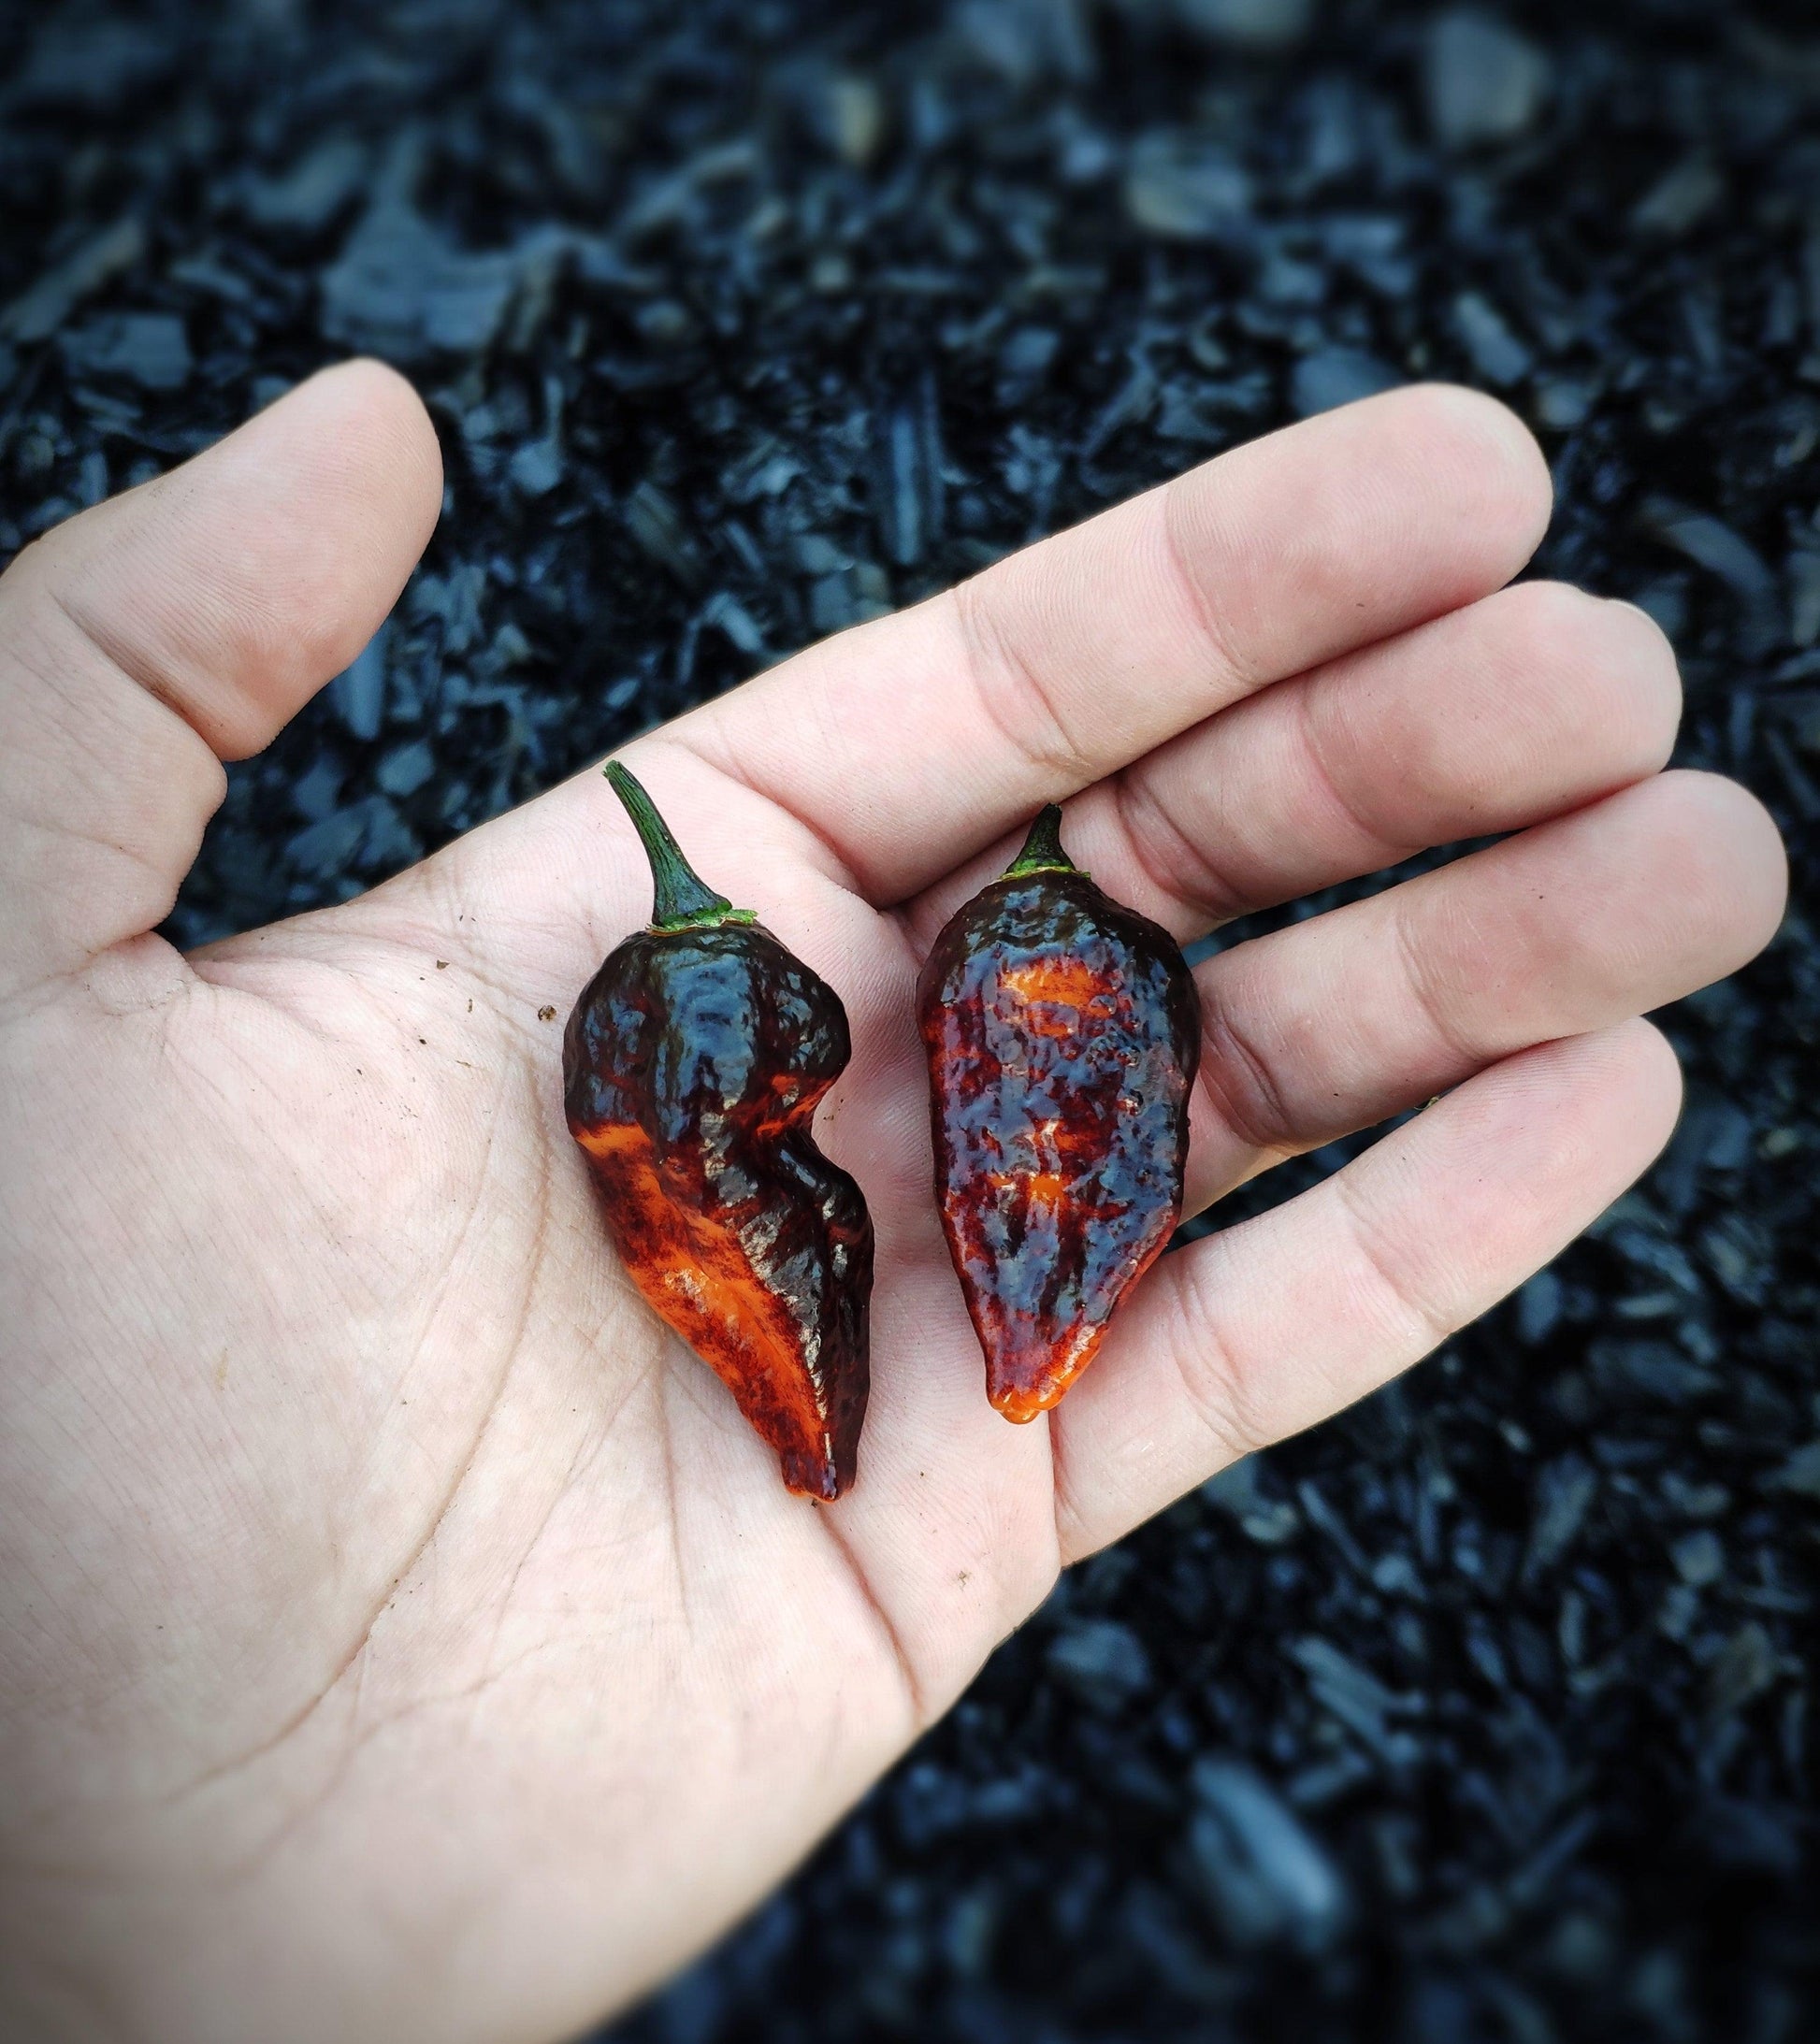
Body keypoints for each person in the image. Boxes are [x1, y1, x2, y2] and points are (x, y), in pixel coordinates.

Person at [0, 361, 1786, 2044]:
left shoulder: (847, 1007)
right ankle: (840, 1411)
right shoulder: (695, 1032)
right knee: (788, 1204)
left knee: (953, 1201)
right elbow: (744, 1191)